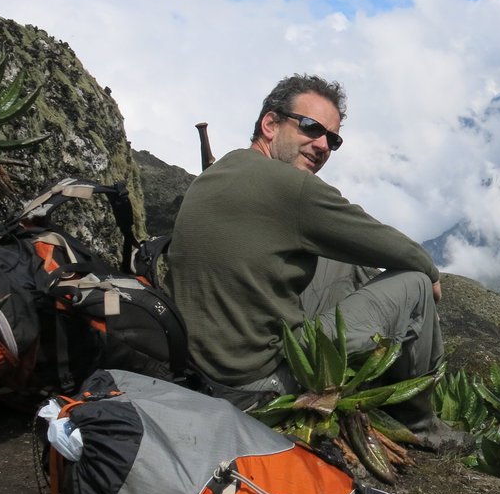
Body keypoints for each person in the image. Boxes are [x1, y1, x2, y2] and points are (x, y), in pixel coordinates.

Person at [168, 73, 470, 452]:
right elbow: (398, 248)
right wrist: (430, 272)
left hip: (200, 367)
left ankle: (378, 372)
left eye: (333, 139)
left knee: (343, 263)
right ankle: (421, 427)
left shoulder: (223, 169)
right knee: (414, 284)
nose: (323, 145)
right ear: (270, 124)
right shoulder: (291, 187)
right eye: (311, 127)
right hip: (260, 383)